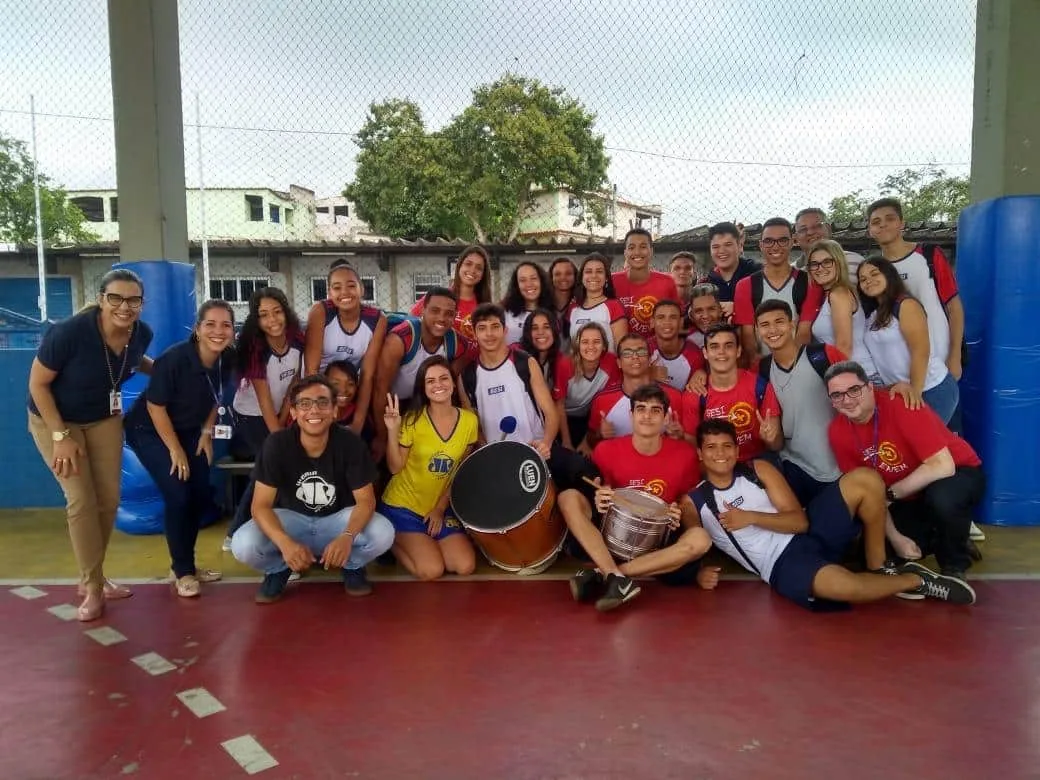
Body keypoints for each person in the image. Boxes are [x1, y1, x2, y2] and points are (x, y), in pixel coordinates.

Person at [690, 419, 975, 608]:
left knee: (864, 479)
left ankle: (879, 564)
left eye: (727, 446)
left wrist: (751, 517)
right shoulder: (694, 501)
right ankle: (917, 581)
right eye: (711, 447)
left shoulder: (756, 470)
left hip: (810, 531)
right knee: (846, 588)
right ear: (700, 454)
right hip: (781, 564)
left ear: (737, 450)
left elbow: (799, 522)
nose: (720, 454)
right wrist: (698, 574)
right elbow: (689, 546)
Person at [27, 269, 153, 621]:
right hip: (55, 419)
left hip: (102, 418)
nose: (124, 307)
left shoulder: (141, 333)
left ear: (142, 304)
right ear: (101, 299)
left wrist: (163, 372)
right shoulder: (69, 334)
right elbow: (38, 385)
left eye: (133, 300)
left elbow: (134, 359)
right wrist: (59, 436)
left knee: (109, 499)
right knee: (81, 499)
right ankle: (93, 587)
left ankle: (95, 575)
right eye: (116, 298)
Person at [230, 375, 395, 603]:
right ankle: (279, 569)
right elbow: (260, 506)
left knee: (383, 532)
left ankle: (352, 564)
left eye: (322, 402)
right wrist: (284, 543)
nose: (314, 410)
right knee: (243, 544)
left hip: (336, 521)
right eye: (305, 404)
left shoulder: (350, 443)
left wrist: (347, 537)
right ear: (294, 412)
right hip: (292, 521)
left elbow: (366, 501)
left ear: (335, 410)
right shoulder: (277, 444)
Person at [825, 361, 985, 581]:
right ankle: (952, 533)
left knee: (943, 499)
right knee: (872, 554)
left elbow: (942, 466)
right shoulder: (838, 433)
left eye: (854, 390)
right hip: (910, 493)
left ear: (870, 388)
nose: (847, 400)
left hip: (957, 471)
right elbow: (870, 495)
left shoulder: (900, 405)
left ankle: (954, 565)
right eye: (837, 395)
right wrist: (896, 538)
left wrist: (892, 494)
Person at [559, 385, 711, 612]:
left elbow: (686, 502)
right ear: (631, 415)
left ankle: (610, 575)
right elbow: (600, 492)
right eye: (641, 409)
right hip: (612, 536)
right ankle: (615, 574)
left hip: (657, 544)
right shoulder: (605, 450)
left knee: (701, 539)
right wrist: (599, 498)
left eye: (655, 410)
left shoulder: (685, 454)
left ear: (665, 416)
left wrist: (678, 511)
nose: (647, 416)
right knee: (568, 497)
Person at [124, 300, 236, 598]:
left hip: (189, 431)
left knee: (199, 493)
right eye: (210, 324)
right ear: (197, 330)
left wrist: (206, 432)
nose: (218, 331)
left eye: (226, 325)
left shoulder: (228, 359)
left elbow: (218, 397)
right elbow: (155, 406)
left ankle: (185, 565)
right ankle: (183, 570)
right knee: (178, 491)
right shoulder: (175, 359)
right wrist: (174, 449)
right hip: (149, 430)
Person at [380, 356, 479, 580]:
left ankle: (425, 543)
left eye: (444, 378)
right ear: (423, 389)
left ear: (454, 384)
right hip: (404, 507)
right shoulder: (412, 420)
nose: (438, 385)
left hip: (438, 507)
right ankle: (391, 540)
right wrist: (392, 431)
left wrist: (440, 508)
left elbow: (459, 473)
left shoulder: (469, 422)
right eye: (430, 381)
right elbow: (395, 468)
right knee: (431, 570)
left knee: (464, 566)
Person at [224, 287, 305, 550]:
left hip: (279, 408)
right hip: (250, 415)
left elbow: (294, 382)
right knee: (270, 466)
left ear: (286, 311)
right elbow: (263, 400)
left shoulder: (297, 339)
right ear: (256, 320)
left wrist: (284, 419)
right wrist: (278, 437)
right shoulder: (255, 348)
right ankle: (236, 531)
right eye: (264, 315)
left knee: (271, 466)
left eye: (277, 312)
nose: (272, 321)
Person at [867, 198, 965, 391]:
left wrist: (955, 355)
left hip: (940, 362)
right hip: (902, 373)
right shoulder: (873, 270)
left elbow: (954, 307)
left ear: (901, 223)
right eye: (876, 222)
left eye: (890, 218)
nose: (883, 225)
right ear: (869, 230)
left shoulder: (928, 254)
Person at [754, 300, 844, 506]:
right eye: (765, 325)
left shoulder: (823, 355)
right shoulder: (763, 369)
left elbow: (859, 396)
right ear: (757, 331)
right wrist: (769, 437)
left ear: (792, 324)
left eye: (779, 322)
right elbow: (775, 441)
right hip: (795, 467)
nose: (773, 330)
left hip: (836, 465)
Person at [857, 257, 960, 430]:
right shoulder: (872, 315)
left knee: (927, 449)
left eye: (875, 273)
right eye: (863, 279)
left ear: (889, 275)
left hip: (930, 388)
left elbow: (920, 350)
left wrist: (915, 392)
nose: (869, 281)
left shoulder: (906, 305)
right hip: (900, 392)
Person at [372, 287, 470, 461]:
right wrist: (382, 435)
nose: (441, 318)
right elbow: (380, 389)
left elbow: (449, 390)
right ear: (422, 310)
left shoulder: (458, 344)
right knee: (386, 459)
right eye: (435, 311)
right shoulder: (400, 339)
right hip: (393, 404)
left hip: (425, 404)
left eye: (448, 313)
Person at [303, 259, 386, 435]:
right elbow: (311, 370)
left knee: (362, 437)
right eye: (337, 287)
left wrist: (358, 423)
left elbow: (367, 375)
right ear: (329, 292)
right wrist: (322, 413)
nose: (345, 292)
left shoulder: (377, 319)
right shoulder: (321, 311)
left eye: (351, 285)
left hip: (349, 390)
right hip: (319, 388)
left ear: (361, 288)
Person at [681, 324, 782, 462]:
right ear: (705, 353)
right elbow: (693, 448)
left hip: (757, 460)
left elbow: (777, 445)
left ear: (738, 351)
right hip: (716, 465)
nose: (721, 352)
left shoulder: (760, 386)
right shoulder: (694, 395)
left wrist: (771, 440)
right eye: (714, 346)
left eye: (728, 346)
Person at [733, 217, 823, 359]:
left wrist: (789, 369)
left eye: (782, 240)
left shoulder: (809, 282)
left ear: (792, 242)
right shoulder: (745, 285)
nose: (775, 247)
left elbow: (804, 333)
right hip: (761, 368)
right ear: (761, 245)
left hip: (798, 363)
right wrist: (762, 368)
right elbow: (748, 338)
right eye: (769, 241)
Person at [586, 333, 684, 449]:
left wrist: (678, 436)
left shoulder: (674, 396)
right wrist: (600, 434)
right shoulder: (602, 400)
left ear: (649, 359)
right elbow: (591, 441)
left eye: (641, 352)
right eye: (627, 353)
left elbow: (687, 443)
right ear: (619, 363)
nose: (635, 357)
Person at [806, 240, 878, 382]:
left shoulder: (839, 294)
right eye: (814, 264)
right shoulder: (828, 295)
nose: (820, 268)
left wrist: (836, 382)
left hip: (859, 377)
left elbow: (844, 346)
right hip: (851, 374)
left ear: (838, 262)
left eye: (827, 262)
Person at [554, 322, 620, 451]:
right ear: (577, 345)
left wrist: (587, 441)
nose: (591, 346)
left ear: (604, 345)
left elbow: (606, 401)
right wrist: (566, 442)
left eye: (596, 341)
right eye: (585, 342)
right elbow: (559, 405)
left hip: (588, 417)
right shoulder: (566, 365)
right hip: (564, 417)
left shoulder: (611, 362)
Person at [410, 245, 492, 340]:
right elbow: (410, 322)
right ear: (459, 266)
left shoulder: (485, 306)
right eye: (468, 264)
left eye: (479, 268)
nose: (472, 270)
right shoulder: (438, 297)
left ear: (483, 274)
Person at [612, 227, 679, 337]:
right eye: (631, 247)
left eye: (643, 247)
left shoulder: (667, 282)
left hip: (657, 349)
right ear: (625, 253)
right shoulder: (612, 281)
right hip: (622, 350)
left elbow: (677, 319)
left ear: (651, 251)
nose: (637, 252)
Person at [567, 252, 627, 353]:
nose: (593, 275)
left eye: (599, 271)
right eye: (588, 271)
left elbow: (622, 349)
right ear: (582, 277)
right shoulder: (573, 308)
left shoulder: (614, 306)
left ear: (606, 278)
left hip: (607, 368)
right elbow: (570, 348)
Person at [648, 299, 705, 391]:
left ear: (681, 322)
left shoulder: (695, 354)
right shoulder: (643, 348)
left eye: (673, 317)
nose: (667, 322)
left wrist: (702, 372)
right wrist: (647, 374)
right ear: (652, 322)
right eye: (661, 317)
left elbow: (693, 394)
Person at [705, 221, 759, 317]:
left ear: (740, 246)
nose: (721, 251)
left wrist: (738, 307)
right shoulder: (706, 283)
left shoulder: (757, 273)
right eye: (715, 247)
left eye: (728, 245)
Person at [792, 208, 865, 276]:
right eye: (803, 229)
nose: (810, 232)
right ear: (796, 238)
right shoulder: (791, 273)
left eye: (817, 226)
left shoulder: (856, 261)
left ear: (828, 229)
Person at [501, 261, 554, 345]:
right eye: (522, 280)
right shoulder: (504, 312)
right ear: (517, 285)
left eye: (533, 278)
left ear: (541, 281)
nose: (529, 284)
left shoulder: (553, 311)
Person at [668, 251, 701, 332]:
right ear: (670, 274)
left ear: (694, 274)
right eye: (677, 268)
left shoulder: (702, 301)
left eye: (688, 268)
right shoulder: (662, 301)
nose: (682, 272)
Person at [549, 257, 578, 343]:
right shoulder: (542, 305)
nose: (563, 277)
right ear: (551, 277)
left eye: (568, 273)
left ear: (575, 276)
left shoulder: (582, 305)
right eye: (557, 274)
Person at [685, 283, 724, 348]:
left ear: (721, 310)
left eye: (711, 309)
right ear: (691, 315)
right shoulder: (685, 342)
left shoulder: (735, 335)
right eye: (699, 311)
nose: (705, 316)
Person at [325, 360, 359, 427]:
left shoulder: (357, 414)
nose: (343, 389)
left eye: (350, 384)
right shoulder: (315, 414)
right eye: (336, 384)